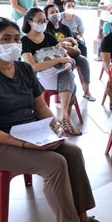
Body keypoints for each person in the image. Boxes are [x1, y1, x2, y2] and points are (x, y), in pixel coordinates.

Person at [0, 17, 110, 222]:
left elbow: (40, 106)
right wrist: (23, 144)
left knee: (72, 151)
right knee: (54, 163)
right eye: (5, 39)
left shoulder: (23, 69)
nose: (14, 44)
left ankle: (82, 218)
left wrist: (54, 126)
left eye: (17, 39)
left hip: (28, 133)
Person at [20, 8, 81, 136]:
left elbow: (65, 55)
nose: (43, 23)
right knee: (70, 80)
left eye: (44, 21)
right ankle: (65, 118)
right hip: (39, 79)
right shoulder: (25, 41)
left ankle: (63, 116)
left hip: (58, 75)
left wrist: (67, 61)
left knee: (68, 73)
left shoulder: (49, 37)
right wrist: (58, 60)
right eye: (39, 21)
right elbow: (33, 67)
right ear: (30, 22)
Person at [44, 4, 95, 102]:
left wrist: (67, 43)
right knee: (69, 63)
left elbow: (74, 43)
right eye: (52, 12)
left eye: (57, 11)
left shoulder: (65, 28)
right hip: (56, 56)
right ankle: (64, 93)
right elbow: (53, 43)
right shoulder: (47, 28)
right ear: (47, 16)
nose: (55, 14)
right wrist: (68, 40)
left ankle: (86, 92)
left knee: (83, 60)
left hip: (70, 53)